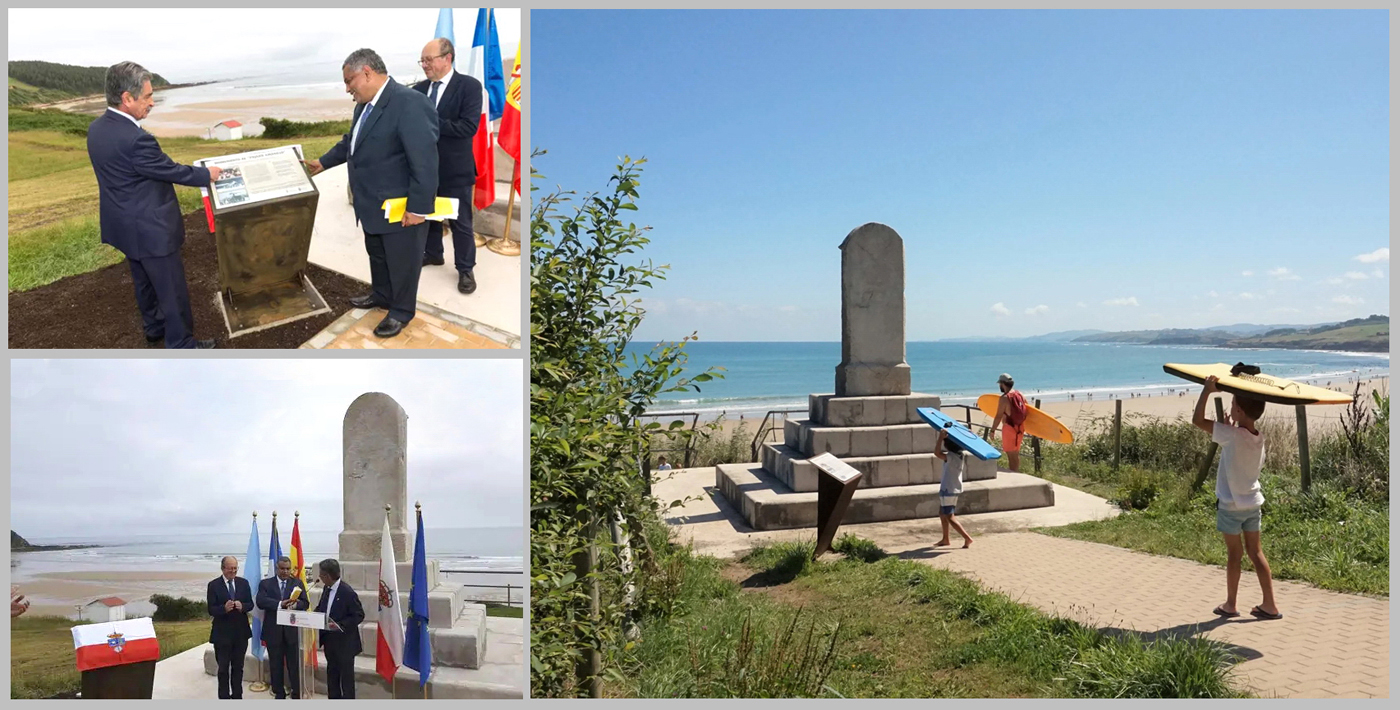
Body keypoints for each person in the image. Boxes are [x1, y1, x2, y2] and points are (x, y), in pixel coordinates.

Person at [305, 49, 440, 338]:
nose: (347, 88)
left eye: (349, 80)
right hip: (370, 203)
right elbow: (351, 142)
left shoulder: (411, 103)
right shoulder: (363, 105)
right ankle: (381, 295)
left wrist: (418, 209)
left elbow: (425, 162)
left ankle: (402, 311)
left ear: (367, 72)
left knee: (403, 262)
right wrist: (323, 162)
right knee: (378, 255)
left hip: (400, 207)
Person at [87, 61, 222, 349]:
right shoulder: (136, 140)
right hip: (151, 228)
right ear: (127, 98)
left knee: (144, 282)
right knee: (172, 290)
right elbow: (170, 170)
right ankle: (182, 344)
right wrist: (205, 175)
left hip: (124, 226)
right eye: (147, 96)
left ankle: (154, 327)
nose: (152, 103)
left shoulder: (96, 130)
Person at [1192, 375, 1281, 621]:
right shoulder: (1258, 438)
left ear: (1239, 410)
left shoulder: (1230, 435)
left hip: (1231, 506)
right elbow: (1237, 442)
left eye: (1233, 405)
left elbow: (1197, 420)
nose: (1231, 408)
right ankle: (1270, 604)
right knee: (1256, 552)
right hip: (1253, 503)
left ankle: (1230, 604)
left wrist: (1207, 391)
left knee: (1234, 554)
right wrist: (1232, 425)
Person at [413, 38, 483, 295]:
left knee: (460, 222)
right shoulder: (418, 90)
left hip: (455, 170)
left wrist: (429, 123)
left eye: (429, 60)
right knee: (429, 215)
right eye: (422, 60)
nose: (424, 65)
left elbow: (468, 127)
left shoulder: (469, 87)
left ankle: (465, 269)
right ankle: (433, 254)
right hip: (423, 168)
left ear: (447, 58)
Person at [256, 556, 310, 699]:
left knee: (294, 664)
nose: (285, 572)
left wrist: (296, 605)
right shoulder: (266, 584)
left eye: (288, 569)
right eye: (282, 569)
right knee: (275, 664)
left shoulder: (297, 583)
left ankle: (296, 692)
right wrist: (281, 604)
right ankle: (279, 692)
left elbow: (305, 603)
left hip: (292, 632)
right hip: (273, 631)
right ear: (277, 569)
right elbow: (261, 601)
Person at [313, 558, 365, 699]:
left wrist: (340, 625)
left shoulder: (347, 592)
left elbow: (359, 615)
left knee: (346, 679)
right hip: (330, 641)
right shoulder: (326, 589)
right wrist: (312, 616)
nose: (320, 578)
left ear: (328, 576)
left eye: (322, 575)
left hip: (345, 643)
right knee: (332, 675)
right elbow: (322, 607)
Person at [207, 556, 254, 699]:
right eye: (230, 568)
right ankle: (224, 697)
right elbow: (211, 609)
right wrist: (223, 609)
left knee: (238, 668)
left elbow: (250, 604)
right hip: (222, 635)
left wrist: (243, 606)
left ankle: (237, 696)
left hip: (240, 634)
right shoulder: (213, 585)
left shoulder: (243, 583)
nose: (233, 571)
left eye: (235, 568)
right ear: (223, 569)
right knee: (223, 669)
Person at [931, 425, 973, 548]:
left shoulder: (950, 457)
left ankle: (967, 538)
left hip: (948, 489)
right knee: (942, 513)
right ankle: (945, 538)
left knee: (949, 516)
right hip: (952, 488)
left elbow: (937, 453)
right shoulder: (960, 455)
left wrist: (940, 438)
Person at [989, 373, 1029, 472]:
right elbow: (1027, 409)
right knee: (1015, 454)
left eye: (1000, 384)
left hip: (1009, 428)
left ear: (1003, 384)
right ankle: (1016, 473)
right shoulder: (1019, 394)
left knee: (1011, 455)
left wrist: (992, 430)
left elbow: (998, 416)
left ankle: (1013, 476)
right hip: (1020, 427)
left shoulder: (1004, 398)